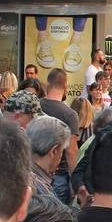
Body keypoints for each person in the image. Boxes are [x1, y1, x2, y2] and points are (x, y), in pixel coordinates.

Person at [39, 68, 81, 204]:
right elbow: (71, 150)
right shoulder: (70, 114)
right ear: (66, 86)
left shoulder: (35, 106)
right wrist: (76, 180)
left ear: (47, 84)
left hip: (34, 171)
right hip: (59, 174)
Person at [28, 115, 73, 199]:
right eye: (62, 150)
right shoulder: (42, 191)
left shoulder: (15, 170)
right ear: (54, 151)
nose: (61, 156)